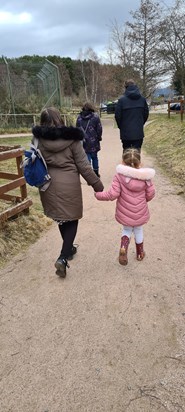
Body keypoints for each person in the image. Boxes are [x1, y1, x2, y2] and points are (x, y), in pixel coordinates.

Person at [32, 107, 104, 278]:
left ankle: (69, 248)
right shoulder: (72, 139)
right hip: (69, 185)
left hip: (47, 184)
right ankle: (63, 257)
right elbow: (84, 166)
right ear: (60, 119)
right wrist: (98, 186)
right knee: (71, 218)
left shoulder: (38, 139)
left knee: (61, 217)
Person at [95, 148, 155, 265]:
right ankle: (140, 253)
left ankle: (123, 248)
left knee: (126, 229)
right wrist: (144, 200)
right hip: (140, 210)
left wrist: (98, 195)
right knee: (138, 229)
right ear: (140, 162)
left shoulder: (119, 176)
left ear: (123, 162)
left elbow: (113, 194)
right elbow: (151, 193)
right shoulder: (146, 177)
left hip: (124, 211)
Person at [115, 79, 149, 151]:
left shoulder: (121, 100)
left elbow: (117, 116)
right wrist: (140, 123)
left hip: (126, 133)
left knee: (126, 154)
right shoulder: (142, 100)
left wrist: (121, 127)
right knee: (137, 153)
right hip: (138, 132)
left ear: (125, 87)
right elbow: (146, 114)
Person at [76, 102, 102, 177]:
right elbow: (99, 129)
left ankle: (90, 175)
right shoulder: (95, 117)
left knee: (87, 158)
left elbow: (77, 130)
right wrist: (99, 137)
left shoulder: (79, 118)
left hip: (84, 141)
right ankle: (96, 172)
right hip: (94, 140)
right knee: (95, 157)